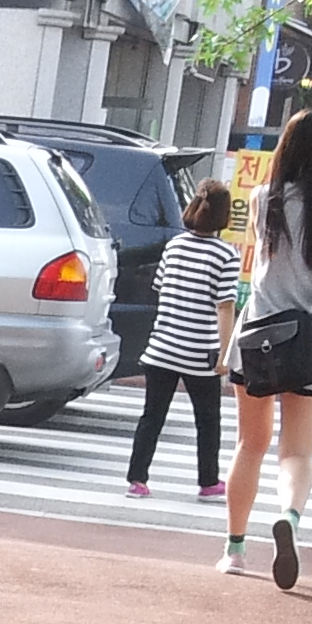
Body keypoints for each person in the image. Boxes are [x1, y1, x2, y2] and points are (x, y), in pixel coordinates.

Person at [222, 110, 312, 590]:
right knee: (297, 451)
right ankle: (288, 514)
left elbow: (264, 261)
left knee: (250, 445)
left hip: (258, 335)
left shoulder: (264, 199)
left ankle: (235, 550)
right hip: (311, 339)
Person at [126, 179, 240, 501]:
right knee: (207, 419)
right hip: (198, 351)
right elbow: (225, 307)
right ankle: (208, 482)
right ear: (224, 214)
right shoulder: (226, 255)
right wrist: (224, 355)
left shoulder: (174, 246)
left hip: (161, 347)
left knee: (152, 416)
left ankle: (137, 479)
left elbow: (160, 288)